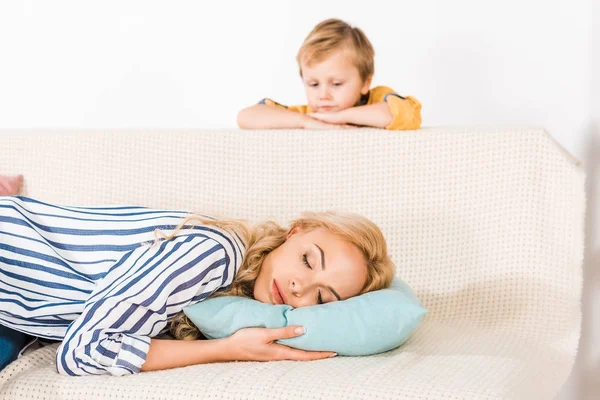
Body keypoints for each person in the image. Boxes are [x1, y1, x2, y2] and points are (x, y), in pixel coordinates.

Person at [0, 196, 395, 376]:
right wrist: (226, 350)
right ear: (296, 231)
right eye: (309, 260)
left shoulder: (231, 290)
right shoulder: (215, 253)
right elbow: (84, 352)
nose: (299, 287)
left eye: (322, 297)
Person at [237, 18, 422, 131]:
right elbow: (246, 116)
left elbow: (407, 113)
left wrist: (342, 116)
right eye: (314, 84)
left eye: (337, 84)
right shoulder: (306, 115)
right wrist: (306, 122)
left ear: (365, 83)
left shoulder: (377, 100)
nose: (323, 96)